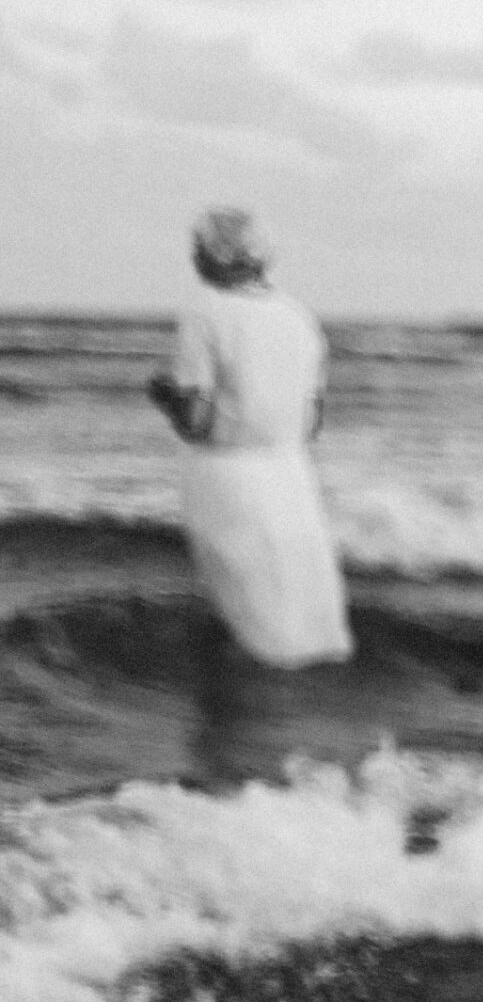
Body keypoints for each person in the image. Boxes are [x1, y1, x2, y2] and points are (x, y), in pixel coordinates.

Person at [144, 208, 352, 667]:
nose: (193, 256)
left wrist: (164, 396)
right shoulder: (298, 317)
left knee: (239, 599)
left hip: (225, 474)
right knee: (296, 600)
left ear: (218, 254)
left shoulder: (204, 311)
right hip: (291, 474)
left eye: (198, 246)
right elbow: (312, 421)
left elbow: (195, 421)